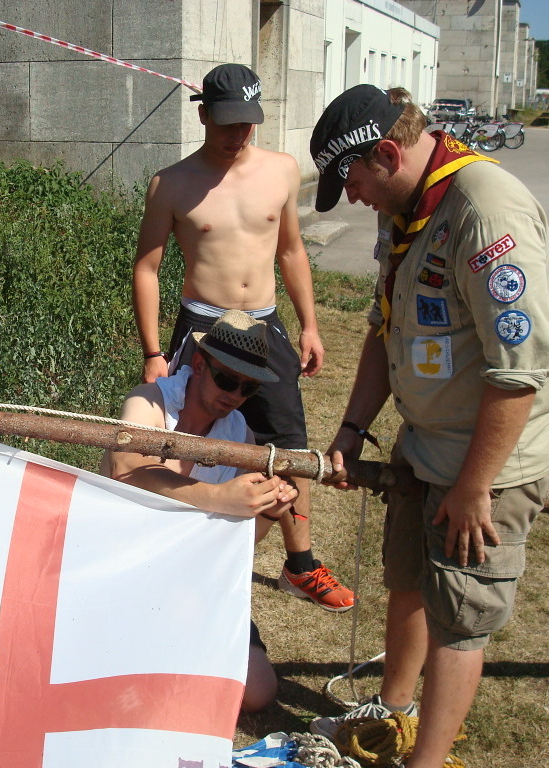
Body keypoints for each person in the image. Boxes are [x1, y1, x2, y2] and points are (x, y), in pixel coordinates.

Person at [307, 85, 549, 768]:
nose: (354, 198)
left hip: (486, 463)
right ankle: (393, 712)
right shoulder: (406, 210)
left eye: (354, 182)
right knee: (408, 577)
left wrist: (476, 486)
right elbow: (385, 325)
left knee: (460, 616)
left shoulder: (485, 210)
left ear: (388, 154)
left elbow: (519, 371)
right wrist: (352, 428)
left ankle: (425, 762)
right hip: (426, 445)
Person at [132, 62, 353, 613]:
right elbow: (147, 268)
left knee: (289, 443)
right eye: (226, 122)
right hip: (202, 326)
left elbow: (291, 251)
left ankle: (300, 564)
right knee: (183, 436)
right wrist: (153, 351)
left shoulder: (281, 170)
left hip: (264, 324)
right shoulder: (171, 183)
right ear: (203, 115)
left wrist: (309, 325)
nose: (237, 134)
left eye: (246, 123)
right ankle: (169, 546)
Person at [102, 309, 299, 712]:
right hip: (125, 566)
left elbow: (240, 539)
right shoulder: (149, 401)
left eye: (247, 387)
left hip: (190, 578)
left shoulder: (240, 432)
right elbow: (126, 468)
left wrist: (267, 512)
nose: (234, 394)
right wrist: (219, 497)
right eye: (227, 379)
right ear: (198, 365)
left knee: (258, 691)